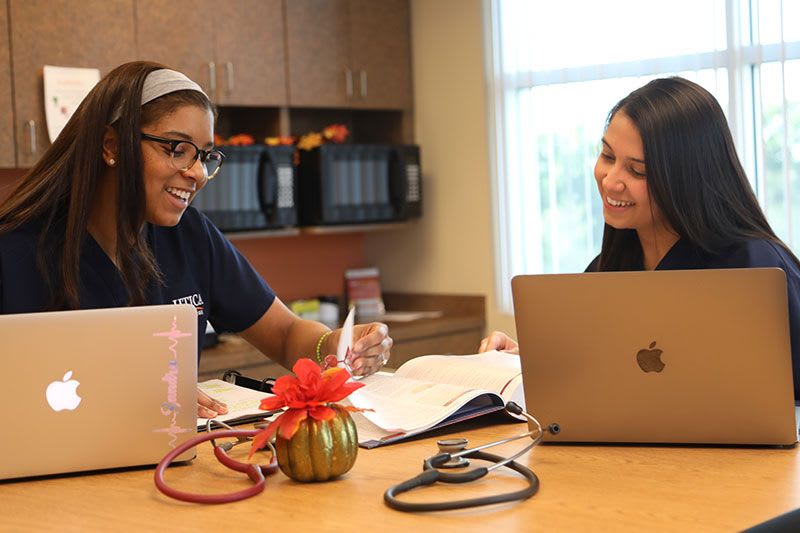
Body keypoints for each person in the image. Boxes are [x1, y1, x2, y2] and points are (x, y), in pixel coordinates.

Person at [0, 61, 393, 416]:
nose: (198, 174)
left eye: (204, 156)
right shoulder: (16, 252)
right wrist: (128, 397)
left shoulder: (190, 236)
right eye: (177, 149)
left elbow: (286, 332)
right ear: (111, 146)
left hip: (169, 466)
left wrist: (336, 345)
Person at [479, 77, 800, 399]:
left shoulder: (756, 267)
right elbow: (597, 367)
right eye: (607, 156)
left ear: (687, 178)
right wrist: (521, 357)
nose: (610, 181)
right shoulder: (609, 268)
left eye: (637, 171)